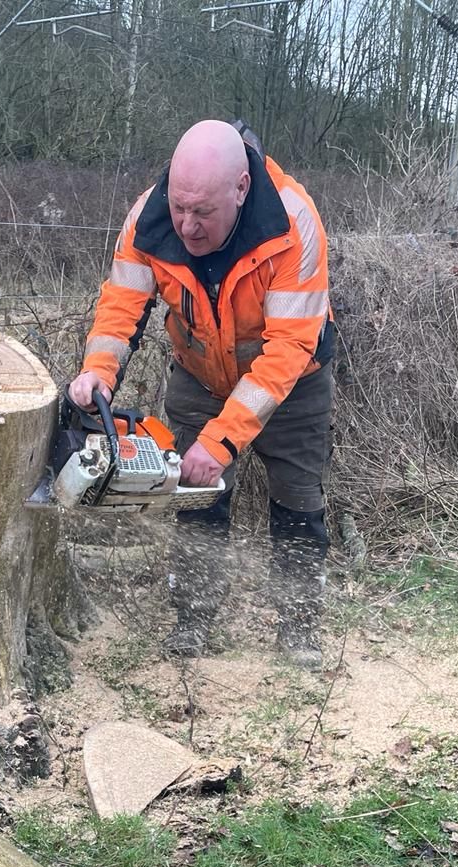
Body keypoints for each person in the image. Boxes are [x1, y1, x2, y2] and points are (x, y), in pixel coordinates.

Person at [69, 119, 334, 668]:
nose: (186, 226)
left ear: (240, 188)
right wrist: (98, 370)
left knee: (298, 500)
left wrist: (222, 442)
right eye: (180, 206)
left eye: (203, 213)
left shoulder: (293, 224)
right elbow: (122, 303)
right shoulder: (150, 217)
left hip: (292, 385)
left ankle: (301, 628)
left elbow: (286, 353)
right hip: (197, 372)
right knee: (196, 498)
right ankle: (191, 620)